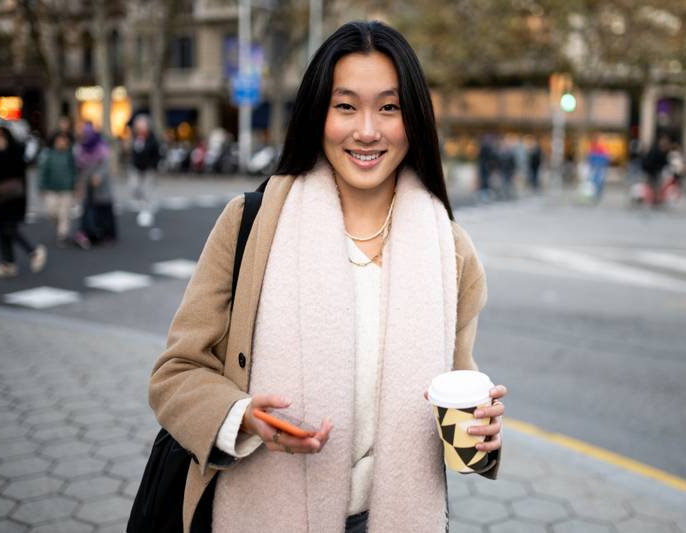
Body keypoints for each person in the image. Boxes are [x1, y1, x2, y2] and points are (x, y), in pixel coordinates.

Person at [148, 20, 507, 533]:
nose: (367, 130)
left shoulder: (451, 250)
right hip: (258, 511)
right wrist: (242, 418)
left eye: (389, 107)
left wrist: (482, 437)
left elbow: (458, 395)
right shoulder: (251, 223)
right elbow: (175, 373)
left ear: (415, 119)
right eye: (346, 106)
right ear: (318, 114)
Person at [0, 126, 47, 278]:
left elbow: (17, 178)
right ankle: (7, 263)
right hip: (0, 200)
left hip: (13, 200)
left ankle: (33, 252)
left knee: (10, 229)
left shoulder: (15, 153)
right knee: (1, 231)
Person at [73, 122, 116, 248]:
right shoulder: (79, 148)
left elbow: (106, 165)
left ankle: (104, 234)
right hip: (86, 183)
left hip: (100, 185)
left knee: (102, 209)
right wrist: (79, 184)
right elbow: (78, 168)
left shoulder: (101, 147)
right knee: (87, 208)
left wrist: (98, 176)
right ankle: (88, 233)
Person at [38, 132, 78, 247]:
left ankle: (62, 235)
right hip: (52, 189)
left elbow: (74, 171)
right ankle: (61, 227)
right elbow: (43, 172)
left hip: (67, 189)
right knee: (51, 212)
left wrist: (75, 184)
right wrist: (42, 186)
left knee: (64, 213)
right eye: (60, 140)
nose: (62, 143)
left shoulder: (70, 155)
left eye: (64, 140)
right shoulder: (49, 155)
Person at [128, 114, 160, 227]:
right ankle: (142, 205)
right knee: (133, 188)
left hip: (148, 169)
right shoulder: (135, 138)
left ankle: (147, 211)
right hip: (136, 168)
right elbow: (133, 153)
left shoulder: (153, 139)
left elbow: (156, 155)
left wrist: (153, 166)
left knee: (148, 191)